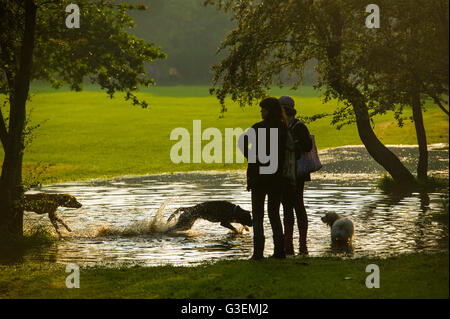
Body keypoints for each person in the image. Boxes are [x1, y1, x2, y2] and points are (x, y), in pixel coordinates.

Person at [241, 97, 288, 260]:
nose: (261, 112)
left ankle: (258, 252)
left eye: (263, 109)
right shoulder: (283, 128)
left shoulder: (257, 128)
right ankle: (279, 251)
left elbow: (242, 143)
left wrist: (251, 157)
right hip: (276, 177)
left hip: (258, 177)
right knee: (274, 214)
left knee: (258, 215)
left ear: (269, 110)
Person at [279, 96, 312, 255]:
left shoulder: (299, 126)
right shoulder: (282, 126)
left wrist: (292, 145)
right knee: (287, 205)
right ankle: (290, 242)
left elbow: (307, 146)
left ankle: (300, 241)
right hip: (285, 173)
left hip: (296, 173)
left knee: (297, 204)